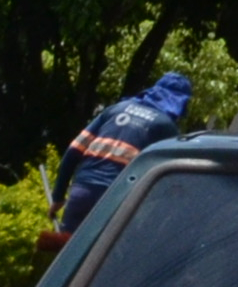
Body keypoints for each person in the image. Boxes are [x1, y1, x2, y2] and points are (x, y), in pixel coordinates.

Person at [46, 71, 193, 248]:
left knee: (65, 257)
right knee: (102, 263)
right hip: (115, 199)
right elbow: (168, 177)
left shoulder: (115, 109)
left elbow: (73, 151)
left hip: (81, 192)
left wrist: (58, 196)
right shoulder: (165, 126)